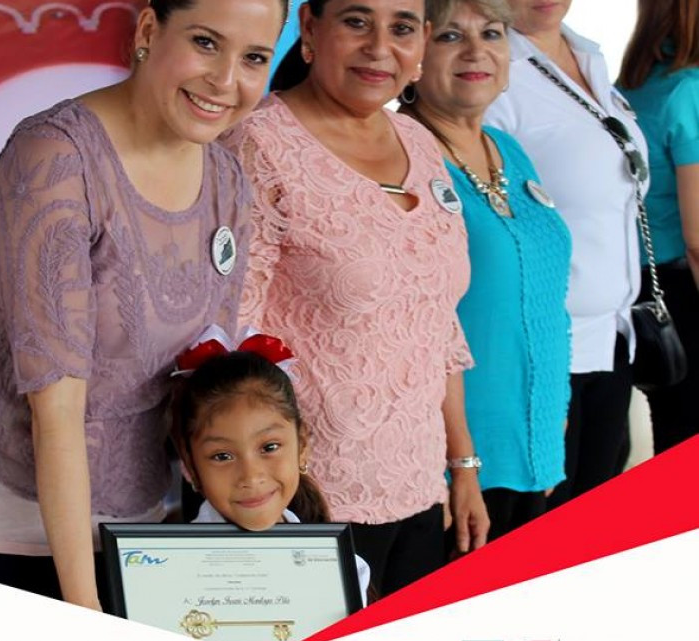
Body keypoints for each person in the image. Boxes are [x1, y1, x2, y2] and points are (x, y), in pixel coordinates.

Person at [0, 0, 287, 610]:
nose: (226, 80)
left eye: (253, 57)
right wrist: (85, 605)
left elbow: (199, 370)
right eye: (205, 42)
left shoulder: (227, 178)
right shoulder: (57, 156)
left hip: (129, 520)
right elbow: (57, 412)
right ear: (148, 30)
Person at [222, 0, 490, 597]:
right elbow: (229, 337)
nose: (379, 46)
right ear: (310, 28)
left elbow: (437, 322)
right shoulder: (258, 144)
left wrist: (462, 466)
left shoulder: (419, 141)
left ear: (422, 42)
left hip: (420, 489)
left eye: (401, 28)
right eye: (356, 21)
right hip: (307, 500)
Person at [399, 0, 571, 541]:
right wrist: (461, 464)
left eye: (492, 34)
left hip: (534, 446)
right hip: (460, 462)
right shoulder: (403, 154)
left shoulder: (508, 150)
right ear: (415, 53)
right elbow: (421, 328)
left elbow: (544, 297)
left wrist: (552, 421)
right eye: (451, 36)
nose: (477, 51)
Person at [484, 0, 648, 510]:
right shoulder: (491, 70)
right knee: (543, 522)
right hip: (547, 350)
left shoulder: (587, 54)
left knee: (594, 520)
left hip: (614, 337)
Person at [169, 330, 370, 604]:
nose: (251, 476)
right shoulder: (168, 573)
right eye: (222, 456)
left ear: (301, 445)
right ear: (191, 465)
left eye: (269, 447)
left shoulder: (343, 571)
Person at [618, 0, 699, 455]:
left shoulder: (626, 87)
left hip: (644, 288)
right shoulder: (689, 90)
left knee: (674, 433)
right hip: (684, 286)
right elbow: (698, 237)